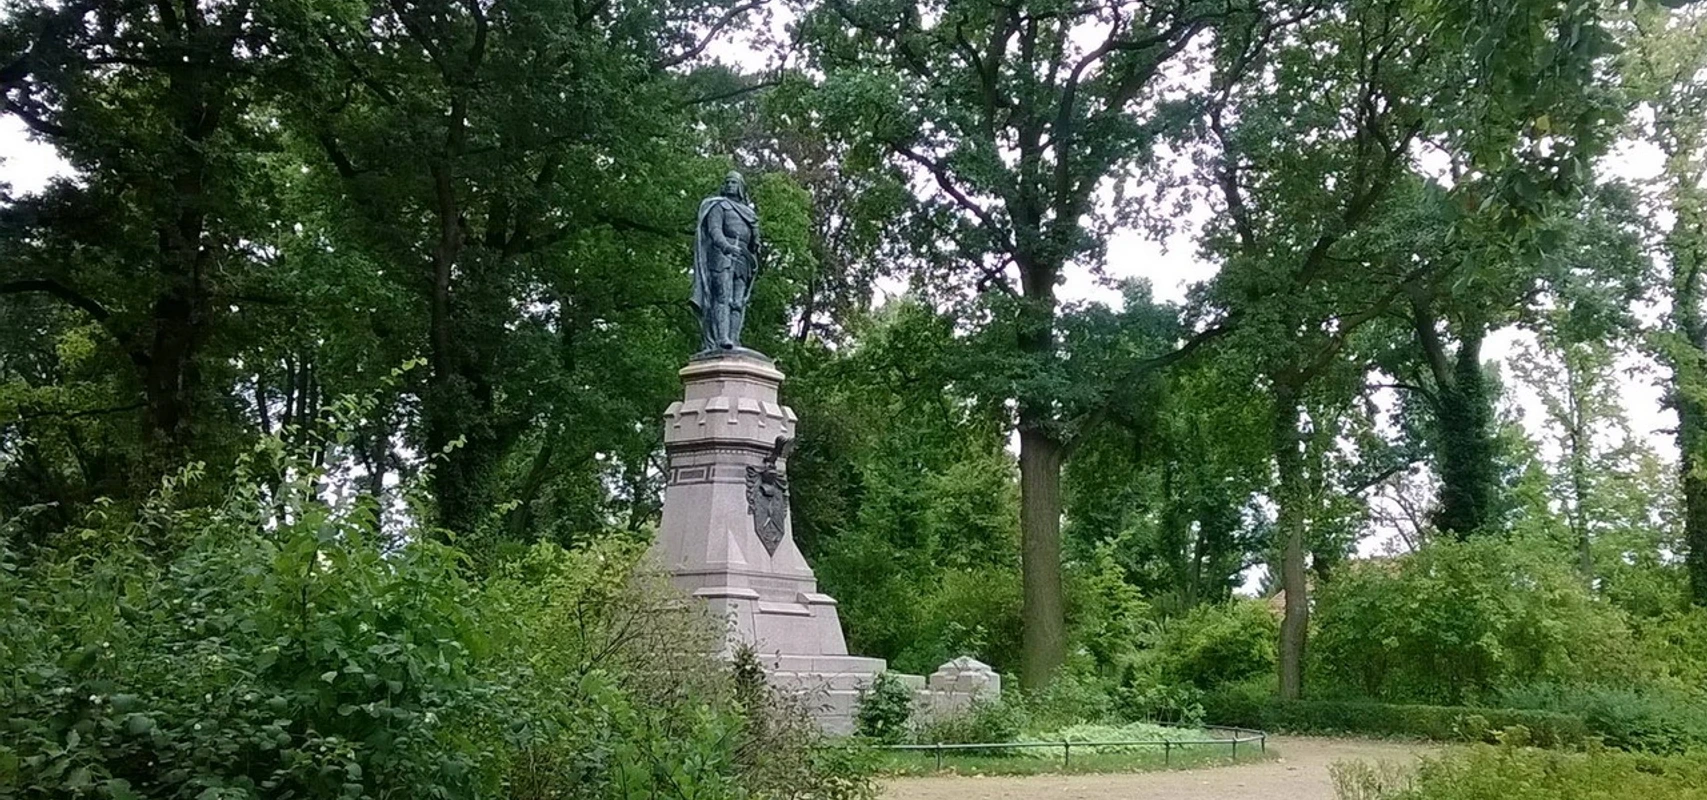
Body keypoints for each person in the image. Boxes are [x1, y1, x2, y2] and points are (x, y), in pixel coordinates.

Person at [691, 170, 761, 353]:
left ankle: (735, 337)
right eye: (728, 182)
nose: (730, 185)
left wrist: (755, 241)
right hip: (722, 256)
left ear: (740, 187)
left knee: (738, 302)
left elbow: (754, 243)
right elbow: (714, 231)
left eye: (734, 182)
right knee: (723, 296)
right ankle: (722, 337)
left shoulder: (749, 213)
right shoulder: (718, 206)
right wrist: (726, 246)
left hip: (743, 259)